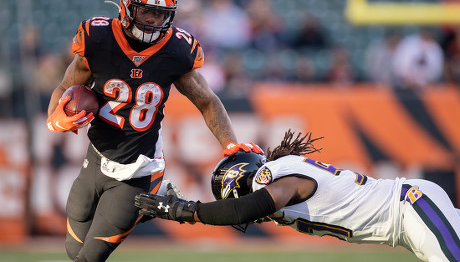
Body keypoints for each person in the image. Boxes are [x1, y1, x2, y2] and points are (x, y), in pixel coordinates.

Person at [46, 0, 261, 262]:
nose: (153, 20)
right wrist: (53, 117)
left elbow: (207, 101)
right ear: (126, 6)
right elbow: (66, 85)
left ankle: (144, 201)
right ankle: (143, 212)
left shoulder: (176, 50)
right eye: (146, 11)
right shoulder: (98, 39)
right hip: (96, 156)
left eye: (160, 14)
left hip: (138, 170)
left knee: (88, 258)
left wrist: (230, 143)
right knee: (73, 250)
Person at [136, 130, 460, 262]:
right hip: (402, 225)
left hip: (410, 207)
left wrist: (186, 211)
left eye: (234, 196)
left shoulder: (277, 177)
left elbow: (251, 206)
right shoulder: (279, 182)